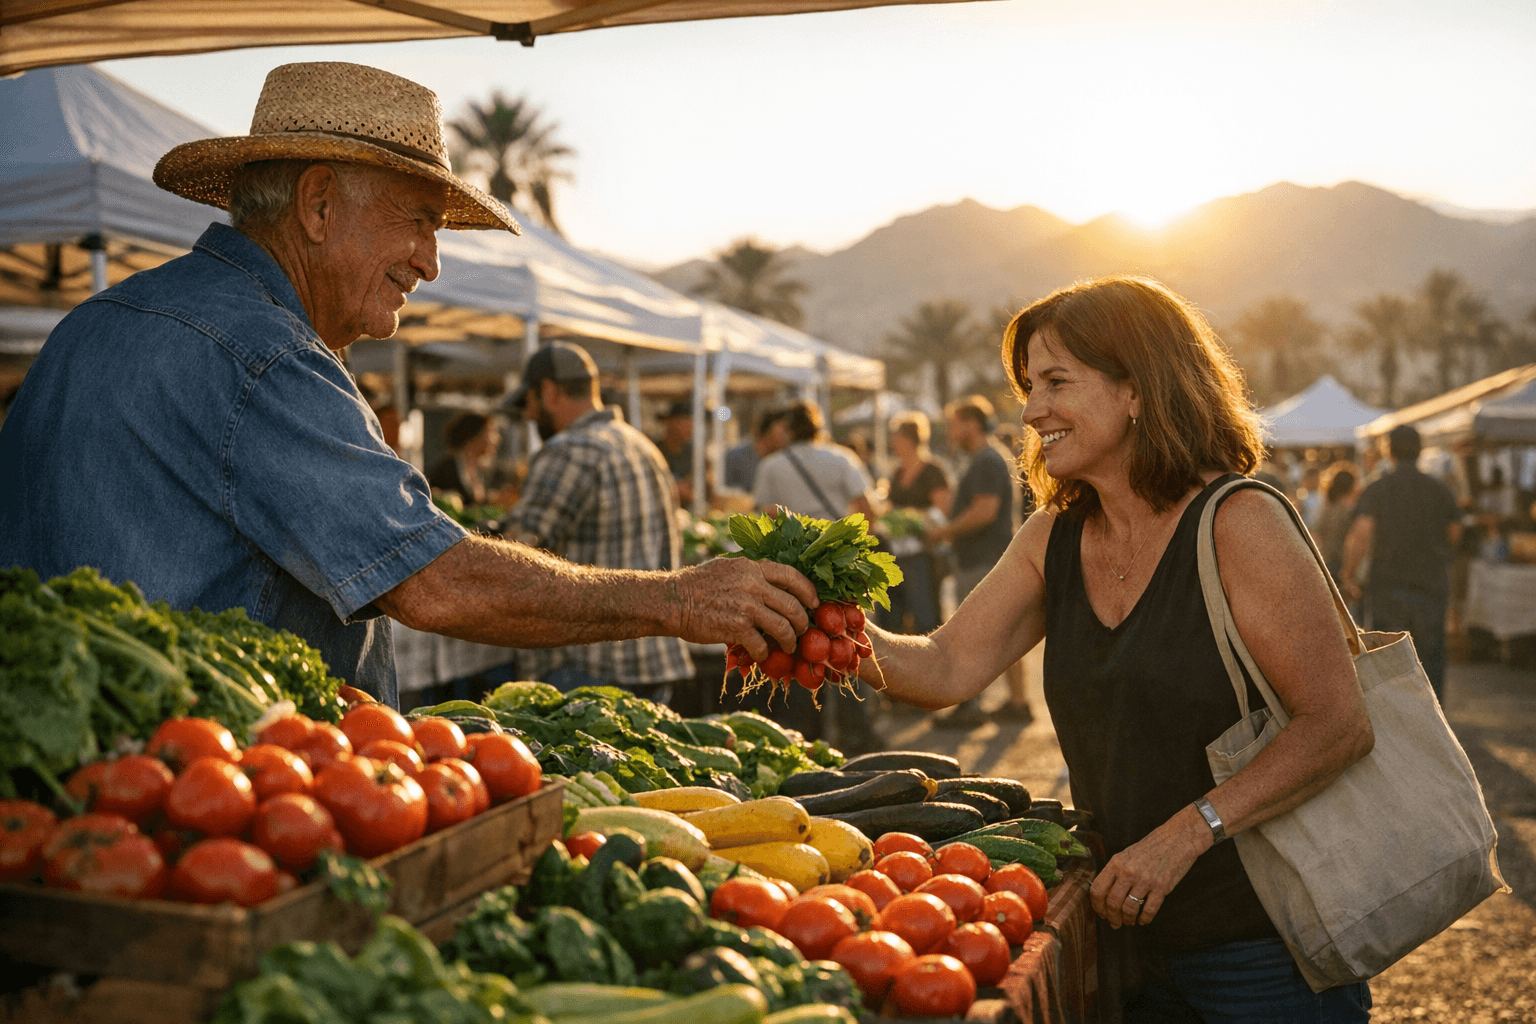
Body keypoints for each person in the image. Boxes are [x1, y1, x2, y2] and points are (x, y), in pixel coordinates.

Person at [0, 62, 816, 710]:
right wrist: (678, 599)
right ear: (318, 203)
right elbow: (432, 583)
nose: (430, 261)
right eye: (420, 219)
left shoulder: (98, 320)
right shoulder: (266, 354)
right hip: (208, 805)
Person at [857, 277, 1375, 1021]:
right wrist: (827, 628)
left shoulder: (1239, 522)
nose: (1033, 412)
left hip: (1265, 952)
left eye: (1057, 382)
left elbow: (1337, 723)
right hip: (1125, 939)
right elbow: (944, 667)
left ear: (1138, 391)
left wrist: (1187, 834)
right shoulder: (1052, 539)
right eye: (1030, 387)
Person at [499, 343, 694, 705]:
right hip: (652, 660)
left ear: (549, 391)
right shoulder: (642, 445)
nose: (528, 415)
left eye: (529, 403)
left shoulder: (569, 450)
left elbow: (516, 554)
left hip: (589, 663)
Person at [925, 395, 1031, 727]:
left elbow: (985, 511)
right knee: (1005, 633)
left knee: (974, 635)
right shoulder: (986, 457)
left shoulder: (986, 459)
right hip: (989, 557)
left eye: (955, 424)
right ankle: (1018, 703)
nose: (951, 431)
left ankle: (970, 706)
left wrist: (945, 531)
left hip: (983, 559)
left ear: (972, 423)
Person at [1342, 424, 1460, 703]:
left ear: (1389, 451)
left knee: (1389, 662)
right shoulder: (1439, 489)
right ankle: (1433, 722)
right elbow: (1454, 531)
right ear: (1420, 451)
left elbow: (1361, 533)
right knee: (1430, 660)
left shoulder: (1378, 488)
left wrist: (1348, 574)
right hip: (1431, 585)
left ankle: (1396, 723)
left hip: (1388, 586)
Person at [881, 411, 952, 635]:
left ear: (910, 440)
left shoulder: (932, 471)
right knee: (894, 616)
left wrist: (911, 515)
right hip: (896, 553)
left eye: (896, 437)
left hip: (924, 553)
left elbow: (942, 510)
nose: (892, 442)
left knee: (925, 616)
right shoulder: (896, 473)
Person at [753, 401, 881, 521]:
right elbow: (866, 506)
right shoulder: (842, 457)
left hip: (793, 542)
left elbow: (765, 512)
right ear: (819, 426)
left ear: (787, 429)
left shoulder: (770, 465)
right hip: (836, 539)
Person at [427, 411, 499, 506]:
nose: (497, 438)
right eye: (491, 431)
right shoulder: (446, 470)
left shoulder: (480, 471)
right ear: (473, 436)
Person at [1312, 461, 1359, 585]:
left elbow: (1317, 535)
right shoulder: (1350, 512)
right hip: (1343, 565)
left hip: (1326, 563)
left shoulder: (1327, 510)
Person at [723, 409, 788, 492]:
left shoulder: (783, 458)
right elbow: (729, 494)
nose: (784, 438)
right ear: (768, 433)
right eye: (780, 434)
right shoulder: (735, 456)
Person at [656, 399, 706, 507]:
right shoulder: (654, 451)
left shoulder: (694, 454)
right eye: (683, 422)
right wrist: (674, 489)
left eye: (690, 422)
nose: (689, 427)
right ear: (668, 423)